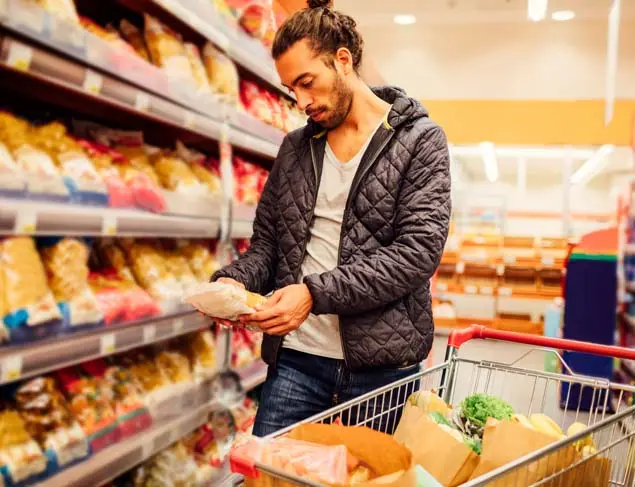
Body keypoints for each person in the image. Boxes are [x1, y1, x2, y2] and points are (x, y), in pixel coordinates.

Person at [212, 0, 451, 436]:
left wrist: (312, 294)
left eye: (307, 82)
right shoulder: (295, 148)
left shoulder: (420, 141)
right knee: (271, 476)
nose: (301, 101)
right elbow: (268, 244)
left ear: (342, 60)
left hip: (382, 369)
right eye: (292, 90)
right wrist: (234, 282)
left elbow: (415, 254)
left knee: (373, 479)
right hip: (298, 360)